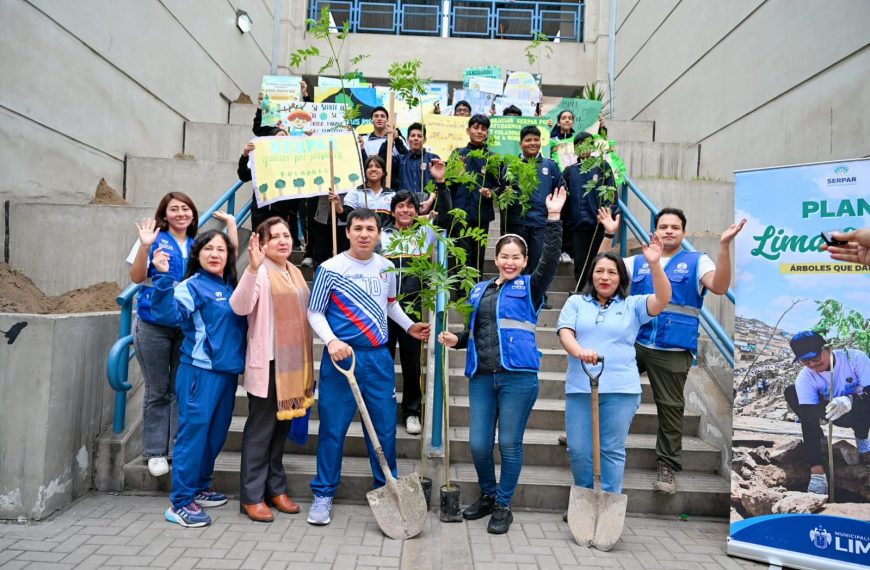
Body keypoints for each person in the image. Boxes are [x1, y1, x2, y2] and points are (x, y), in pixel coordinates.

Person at [438, 188, 567, 535]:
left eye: (516, 257)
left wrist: (553, 219)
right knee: (479, 444)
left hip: (518, 378)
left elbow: (551, 259)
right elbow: (473, 331)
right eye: (504, 256)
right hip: (482, 376)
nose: (510, 262)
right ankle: (488, 495)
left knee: (509, 443)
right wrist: (457, 340)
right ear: (496, 258)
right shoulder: (479, 290)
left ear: (525, 261)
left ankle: (504, 505)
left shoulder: (531, 287)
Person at [599, 207, 746, 494]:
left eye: (674, 227)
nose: (668, 231)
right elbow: (601, 266)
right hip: (635, 341)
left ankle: (667, 466)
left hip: (672, 348)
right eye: (663, 226)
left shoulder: (696, 261)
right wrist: (608, 234)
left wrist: (725, 245)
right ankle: (586, 432)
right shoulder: (638, 261)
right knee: (605, 386)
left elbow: (719, 286)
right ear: (655, 230)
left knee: (670, 408)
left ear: (683, 232)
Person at [305, 208, 431, 526]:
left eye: (370, 229)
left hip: (378, 359)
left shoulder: (387, 266)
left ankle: (386, 488)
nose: (364, 234)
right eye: (358, 228)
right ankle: (323, 495)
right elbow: (315, 312)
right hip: (342, 360)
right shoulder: (330, 268)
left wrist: (408, 325)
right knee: (333, 429)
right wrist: (332, 341)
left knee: (385, 429)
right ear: (347, 232)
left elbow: (391, 305)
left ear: (378, 234)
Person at [127, 194, 238, 478]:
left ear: (193, 214)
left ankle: (179, 449)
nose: (180, 213)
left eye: (185, 208)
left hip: (186, 326)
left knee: (181, 391)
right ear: (164, 214)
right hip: (154, 323)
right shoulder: (153, 238)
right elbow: (137, 277)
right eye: (173, 209)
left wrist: (233, 225)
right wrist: (145, 246)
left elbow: (230, 259)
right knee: (157, 389)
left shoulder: (196, 244)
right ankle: (154, 452)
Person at [557, 242, 671, 509]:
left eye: (611, 272)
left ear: (621, 277)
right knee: (579, 450)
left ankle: (608, 504)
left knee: (611, 450)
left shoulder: (633, 305)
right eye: (599, 271)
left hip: (621, 389)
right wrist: (580, 351)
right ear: (591, 275)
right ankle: (584, 503)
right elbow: (565, 333)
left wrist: (654, 264)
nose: (604, 277)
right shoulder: (575, 302)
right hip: (581, 387)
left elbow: (663, 298)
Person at [150, 230, 246, 528]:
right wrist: (163, 278)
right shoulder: (190, 286)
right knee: (193, 436)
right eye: (208, 249)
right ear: (198, 254)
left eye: (221, 249)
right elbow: (167, 315)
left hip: (227, 374)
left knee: (215, 435)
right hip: (199, 373)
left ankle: (200, 486)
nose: (215, 254)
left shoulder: (230, 286)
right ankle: (179, 502)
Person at [230, 217, 315, 522]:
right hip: (268, 362)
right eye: (275, 236)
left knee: (281, 430)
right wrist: (252, 268)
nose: (283, 241)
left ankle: (275, 489)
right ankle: (252, 496)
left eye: (287, 235)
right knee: (261, 431)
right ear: (262, 244)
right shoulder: (260, 271)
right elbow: (239, 306)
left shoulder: (293, 271)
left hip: (292, 364)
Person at [380, 162, 451, 434]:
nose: (406, 210)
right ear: (393, 210)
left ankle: (412, 412)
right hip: (382, 310)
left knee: (411, 364)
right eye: (401, 206)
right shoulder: (381, 234)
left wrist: (441, 184)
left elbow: (445, 218)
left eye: (411, 206)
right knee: (383, 361)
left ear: (418, 209)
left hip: (411, 308)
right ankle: (383, 408)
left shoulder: (425, 233)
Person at [784, 331, 870, 493]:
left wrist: (850, 400)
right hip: (830, 412)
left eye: (815, 358)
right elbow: (808, 423)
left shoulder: (855, 359)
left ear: (828, 348)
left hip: (860, 412)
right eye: (805, 361)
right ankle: (820, 440)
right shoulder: (806, 378)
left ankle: (863, 441)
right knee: (792, 392)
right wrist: (817, 471)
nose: (812, 364)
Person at [504, 125, 563, 277]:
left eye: (536, 140)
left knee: (539, 264)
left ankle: (538, 299)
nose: (532, 143)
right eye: (528, 140)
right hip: (517, 222)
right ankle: (516, 297)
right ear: (520, 144)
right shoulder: (511, 166)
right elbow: (501, 190)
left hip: (541, 223)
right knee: (516, 263)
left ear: (541, 142)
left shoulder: (550, 166)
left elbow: (560, 191)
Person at [563, 133, 619, 289]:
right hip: (577, 224)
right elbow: (561, 193)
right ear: (575, 148)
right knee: (580, 260)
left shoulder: (603, 167)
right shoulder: (569, 171)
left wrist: (608, 214)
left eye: (587, 144)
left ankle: (595, 290)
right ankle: (581, 291)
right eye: (579, 144)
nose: (583, 147)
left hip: (598, 223)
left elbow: (611, 193)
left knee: (599, 259)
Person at [448, 114, 501, 274]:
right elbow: (449, 183)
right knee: (460, 256)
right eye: (476, 128)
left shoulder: (492, 157)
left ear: (487, 133)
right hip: (460, 213)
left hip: (481, 214)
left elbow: (500, 186)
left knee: (478, 256)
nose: (479, 132)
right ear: (468, 130)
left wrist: (491, 192)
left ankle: (476, 293)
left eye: (483, 129)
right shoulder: (458, 154)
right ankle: (460, 294)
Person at [238, 127, 301, 235]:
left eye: (285, 137)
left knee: (276, 239)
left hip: (281, 209)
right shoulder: (261, 158)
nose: (283, 139)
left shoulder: (292, 160)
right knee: (260, 241)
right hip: (261, 208)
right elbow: (244, 176)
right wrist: (245, 155)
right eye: (280, 137)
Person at [332, 155, 396, 228]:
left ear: (383, 172)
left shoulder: (392, 195)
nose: (373, 169)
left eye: (377, 166)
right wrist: (337, 204)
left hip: (385, 237)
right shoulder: (355, 193)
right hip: (363, 237)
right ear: (365, 171)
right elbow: (344, 217)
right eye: (370, 166)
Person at [386, 122, 441, 199]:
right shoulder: (400, 160)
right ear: (408, 139)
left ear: (425, 140)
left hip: (428, 205)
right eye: (412, 135)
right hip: (406, 206)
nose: (416, 138)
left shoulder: (433, 158)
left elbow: (439, 184)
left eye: (419, 136)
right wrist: (390, 140)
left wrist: (431, 200)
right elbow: (384, 160)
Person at [361, 106, 405, 181]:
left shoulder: (397, 138)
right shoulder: (364, 140)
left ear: (387, 120)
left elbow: (406, 158)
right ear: (371, 120)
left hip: (394, 183)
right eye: (376, 116)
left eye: (382, 116)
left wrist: (396, 139)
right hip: (371, 182)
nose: (379, 118)